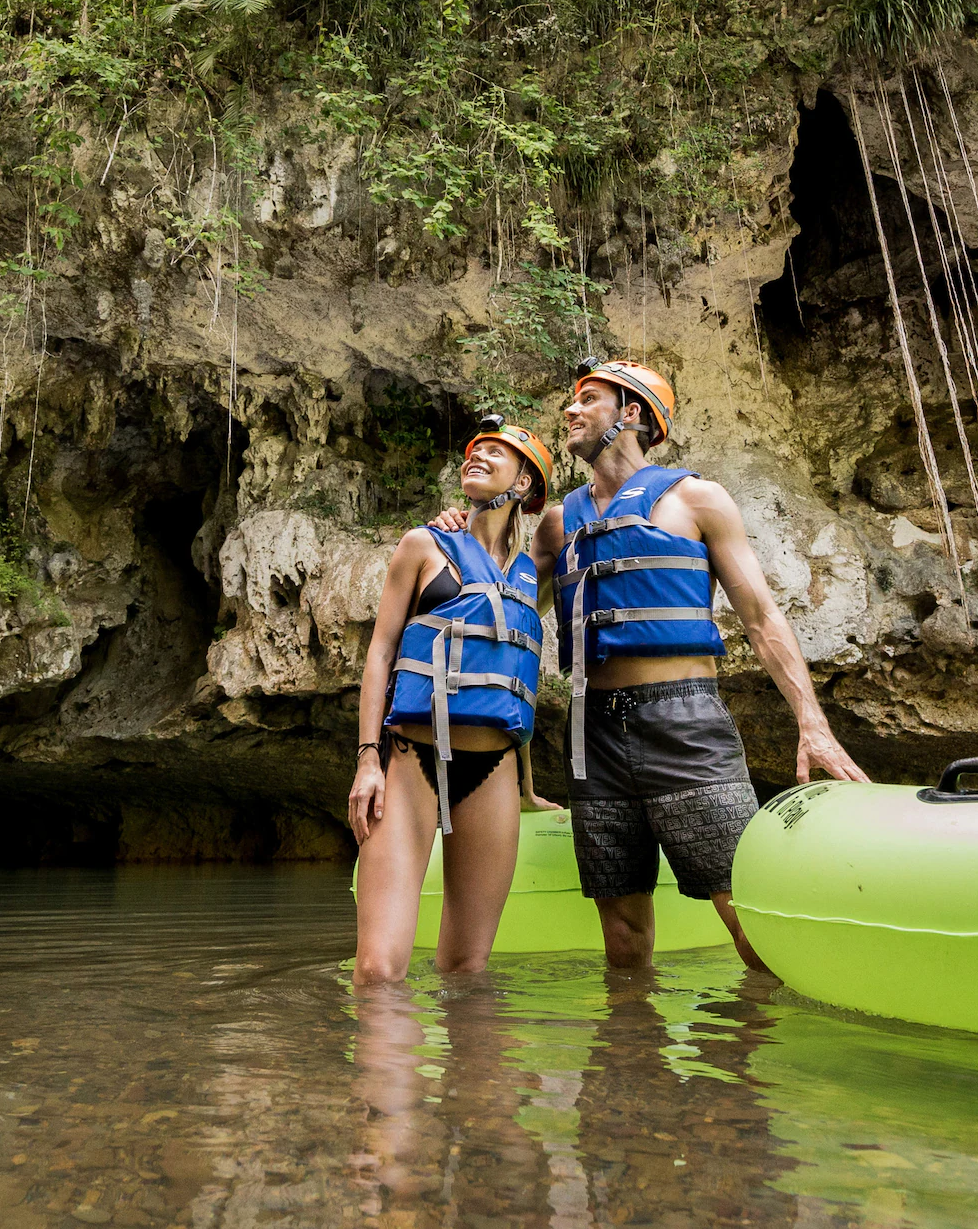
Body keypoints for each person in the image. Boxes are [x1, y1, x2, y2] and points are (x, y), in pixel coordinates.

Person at [438, 360, 868, 971]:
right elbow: (500, 604)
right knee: (622, 932)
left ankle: (760, 1061)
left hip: (685, 722)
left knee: (744, 911)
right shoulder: (561, 521)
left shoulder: (697, 499)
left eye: (588, 400)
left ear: (631, 414)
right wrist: (464, 523)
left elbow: (762, 618)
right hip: (592, 736)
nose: (570, 410)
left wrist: (813, 724)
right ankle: (631, 1061)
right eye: (572, 400)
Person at [349, 418, 557, 986]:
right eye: (474, 451)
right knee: (377, 970)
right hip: (412, 761)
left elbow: (514, 680)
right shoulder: (423, 545)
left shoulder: (531, 574)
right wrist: (369, 760)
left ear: (526, 484)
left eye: (497, 452)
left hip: (494, 769)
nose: (479, 457)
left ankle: (473, 1079)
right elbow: (381, 655)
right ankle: (385, 1073)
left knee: (467, 969)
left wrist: (528, 788)